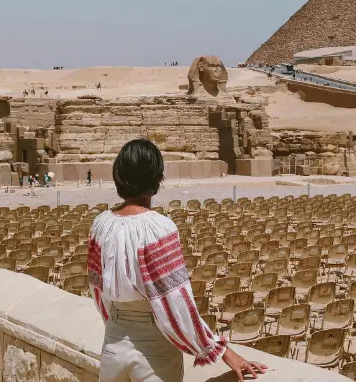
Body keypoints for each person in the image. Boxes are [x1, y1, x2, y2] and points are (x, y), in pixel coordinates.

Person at [87, 138, 266, 382]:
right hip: (155, 348)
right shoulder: (159, 228)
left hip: (114, 341)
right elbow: (176, 302)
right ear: (156, 178)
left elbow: (97, 290)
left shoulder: (100, 225)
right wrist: (221, 350)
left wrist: (118, 324)